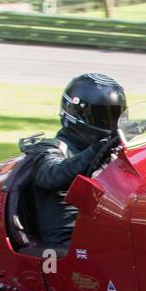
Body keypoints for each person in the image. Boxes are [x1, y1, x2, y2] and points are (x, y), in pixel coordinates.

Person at [24, 73, 126, 248]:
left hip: (105, 235)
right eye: (102, 117)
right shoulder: (49, 149)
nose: (110, 125)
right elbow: (52, 175)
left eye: (115, 116)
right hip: (66, 249)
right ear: (75, 112)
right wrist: (99, 148)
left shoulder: (111, 150)